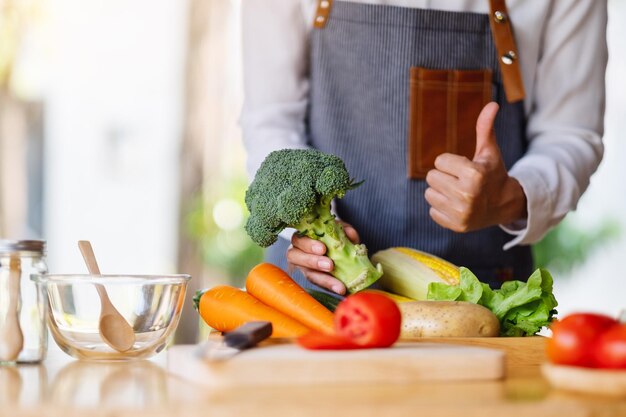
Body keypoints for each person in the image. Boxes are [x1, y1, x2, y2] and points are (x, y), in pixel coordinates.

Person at [240, 0, 607, 295]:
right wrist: (319, 234)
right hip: (315, 286)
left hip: (473, 292)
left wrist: (510, 197)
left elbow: (570, 133)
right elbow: (270, 118)